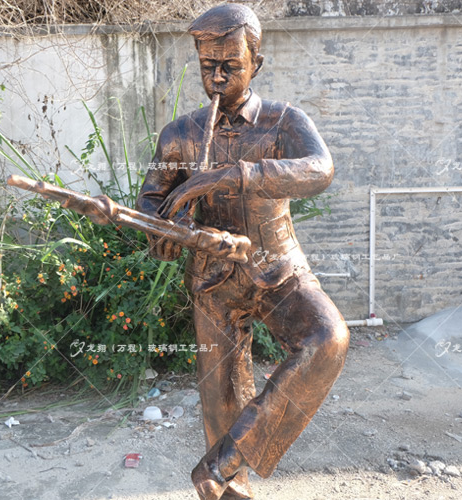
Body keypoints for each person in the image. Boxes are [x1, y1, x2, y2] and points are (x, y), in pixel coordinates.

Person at [137, 4, 350, 499]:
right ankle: (229, 486)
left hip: (277, 268)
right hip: (213, 279)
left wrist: (235, 174)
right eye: (207, 65)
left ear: (256, 62)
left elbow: (320, 169)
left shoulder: (283, 121)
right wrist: (176, 228)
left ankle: (223, 462)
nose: (216, 77)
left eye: (230, 65)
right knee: (222, 398)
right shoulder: (179, 134)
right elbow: (151, 200)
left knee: (328, 338)